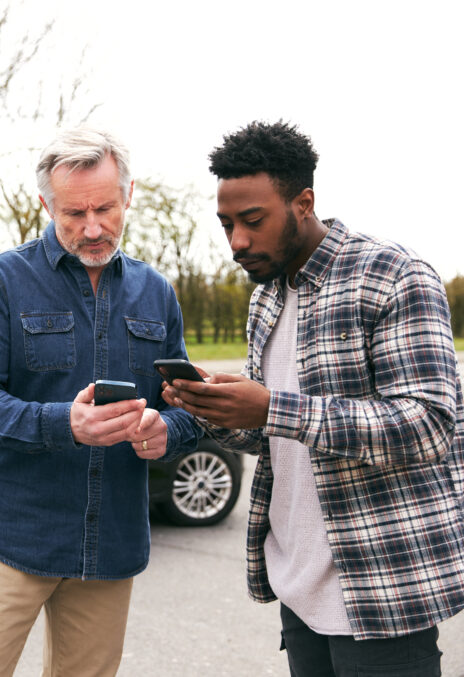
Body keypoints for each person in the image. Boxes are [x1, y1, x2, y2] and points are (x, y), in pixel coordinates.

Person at [163, 120, 464, 676]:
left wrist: (274, 406)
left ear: (304, 203)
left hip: (382, 588)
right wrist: (213, 409)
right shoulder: (265, 301)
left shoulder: (394, 275)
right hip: (299, 587)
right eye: (226, 224)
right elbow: (271, 437)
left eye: (253, 221)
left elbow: (428, 427)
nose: (237, 242)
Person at [0, 127, 201, 676]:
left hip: (110, 543)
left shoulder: (157, 292)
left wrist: (168, 430)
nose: (92, 228)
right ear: (45, 204)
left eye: (104, 207)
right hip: (10, 537)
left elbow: (186, 406)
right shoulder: (3, 280)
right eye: (73, 213)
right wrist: (64, 424)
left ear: (128, 195)